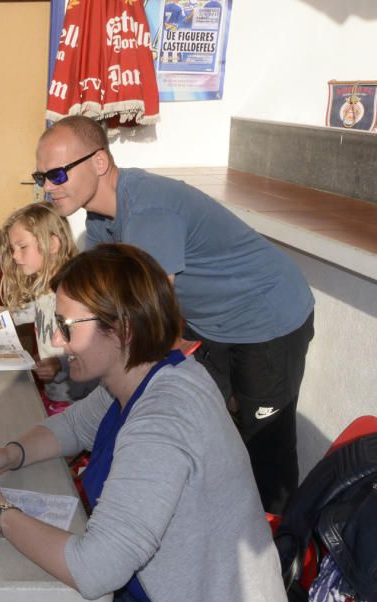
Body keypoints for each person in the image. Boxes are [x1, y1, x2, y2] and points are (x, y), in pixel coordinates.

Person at [0, 244, 293, 602]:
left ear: (123, 329)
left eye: (68, 328)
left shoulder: (163, 421)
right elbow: (73, 425)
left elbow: (95, 570)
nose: (57, 341)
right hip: (152, 597)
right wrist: (8, 454)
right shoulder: (143, 375)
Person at [34, 115, 315, 514]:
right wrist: (69, 355)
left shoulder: (150, 209)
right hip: (212, 324)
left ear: (99, 162)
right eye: (41, 175)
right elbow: (104, 308)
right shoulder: (100, 219)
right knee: (201, 430)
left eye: (58, 174)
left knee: (265, 448)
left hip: (268, 317)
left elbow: (147, 321)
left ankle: (282, 557)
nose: (47, 186)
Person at [0, 201, 95, 414]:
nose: (14, 256)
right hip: (54, 394)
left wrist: (60, 365)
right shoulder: (43, 287)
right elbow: (22, 314)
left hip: (75, 403)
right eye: (13, 249)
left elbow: (94, 349)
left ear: (52, 244)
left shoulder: (75, 294)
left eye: (22, 247)